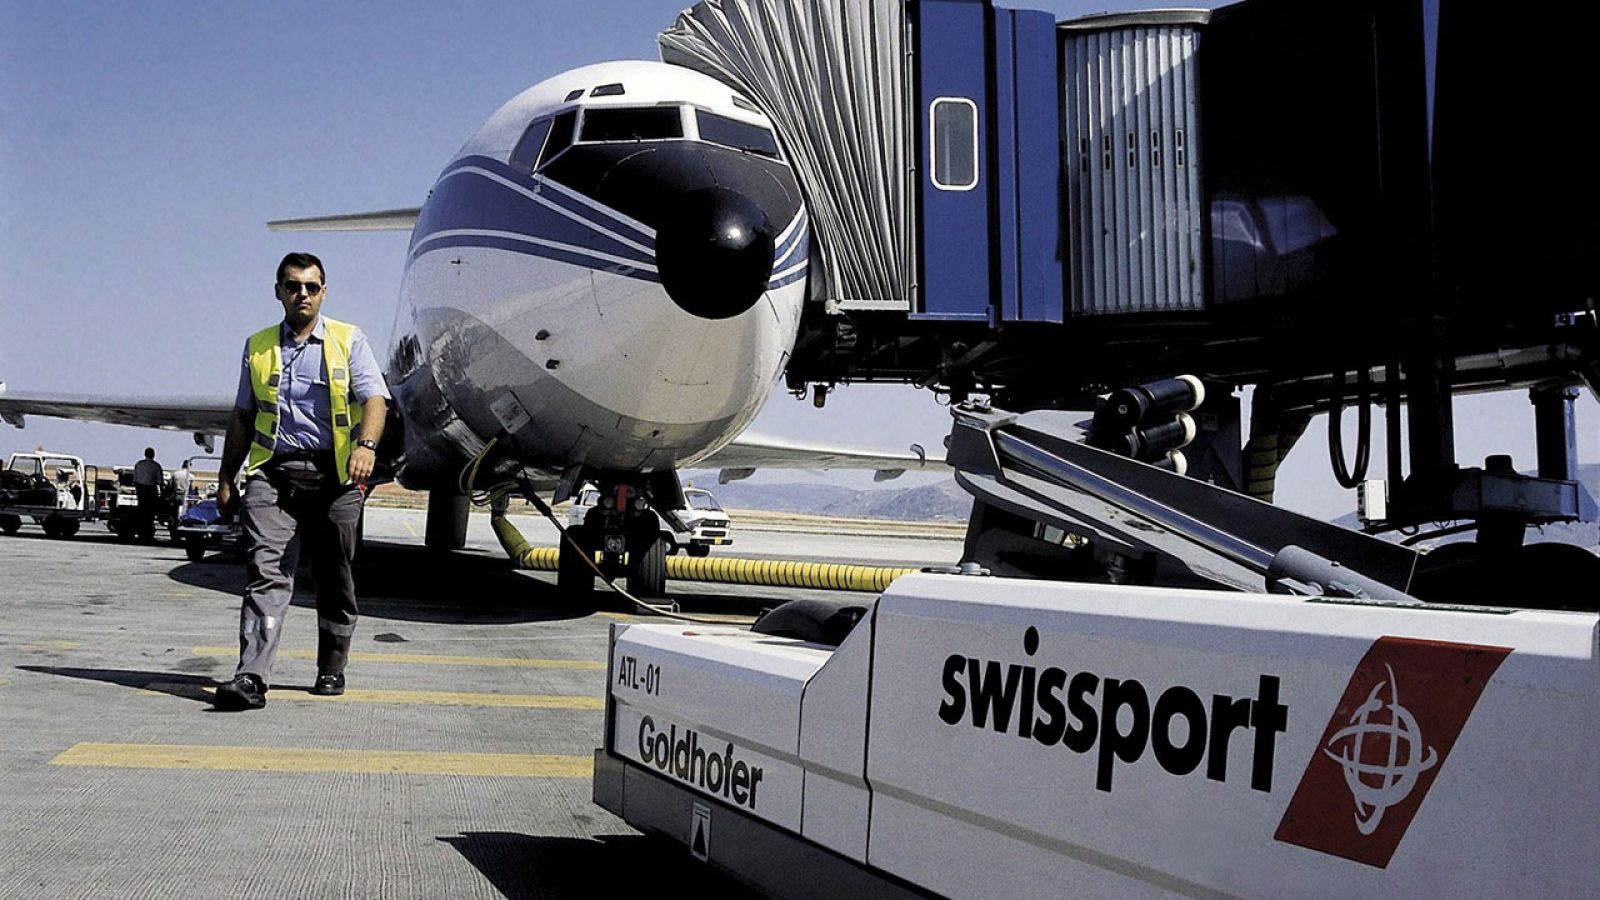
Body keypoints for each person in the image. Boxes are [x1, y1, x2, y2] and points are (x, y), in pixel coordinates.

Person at [212, 252, 389, 712]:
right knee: (265, 573)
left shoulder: (349, 340)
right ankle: (251, 676)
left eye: (311, 287)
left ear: (323, 292)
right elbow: (243, 415)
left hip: (337, 478)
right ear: (278, 292)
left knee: (336, 579)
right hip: (274, 474)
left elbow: (375, 398)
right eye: (293, 286)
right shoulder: (258, 346)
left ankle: (332, 665)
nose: (302, 294)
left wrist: (366, 447)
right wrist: (227, 477)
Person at [131, 447, 164, 540]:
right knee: (150, 513)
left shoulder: (139, 464)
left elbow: (135, 480)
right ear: (153, 455)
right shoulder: (156, 466)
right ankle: (148, 532)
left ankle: (141, 530)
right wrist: (163, 494)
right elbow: (160, 482)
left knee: (141, 511)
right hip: (150, 490)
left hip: (141, 490)